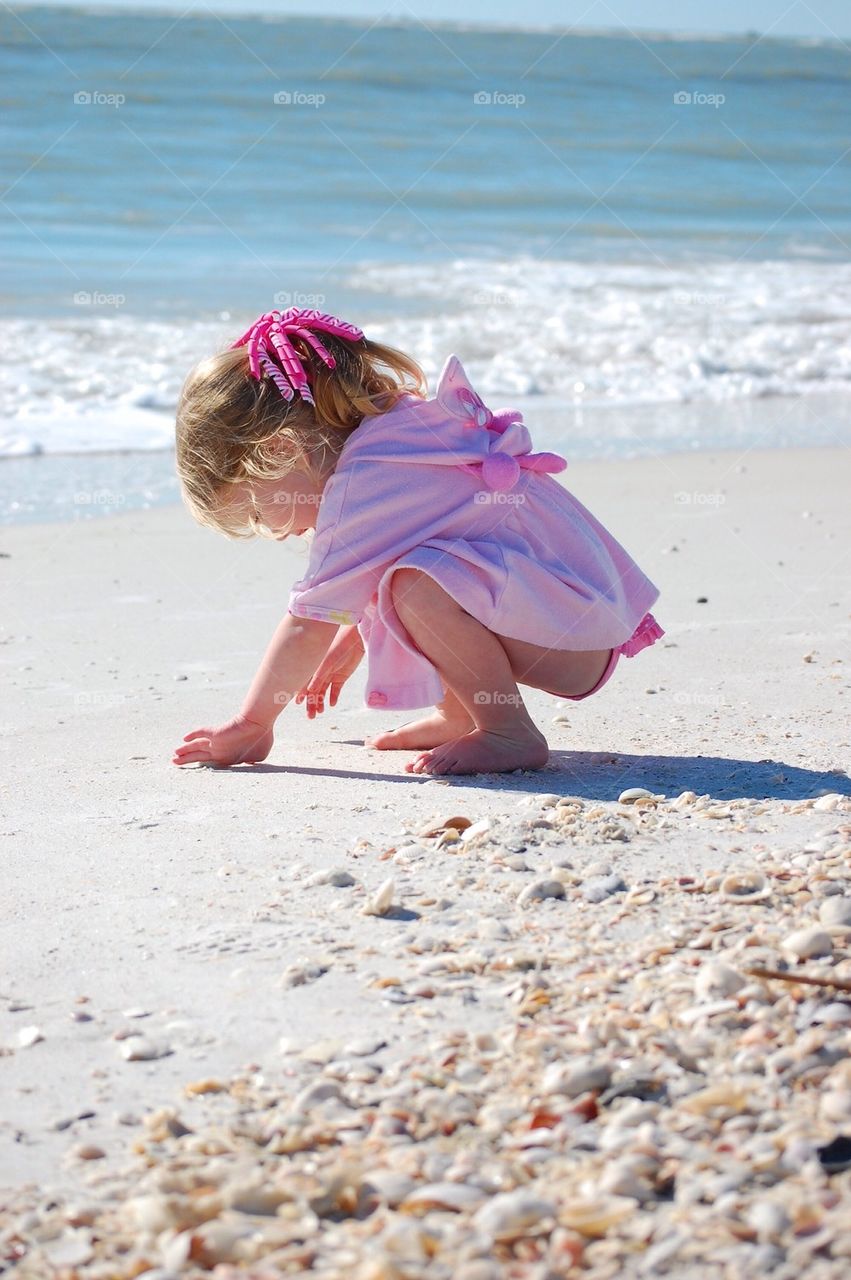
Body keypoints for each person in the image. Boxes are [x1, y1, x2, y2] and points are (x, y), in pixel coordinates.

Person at [172, 307, 664, 777]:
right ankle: (463, 715)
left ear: (280, 451)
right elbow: (430, 539)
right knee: (409, 574)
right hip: (576, 616)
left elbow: (308, 620)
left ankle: (509, 731)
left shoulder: (360, 486)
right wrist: (354, 636)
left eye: (259, 511)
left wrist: (254, 723)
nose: (275, 531)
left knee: (415, 584)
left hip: (572, 638)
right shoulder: (394, 433)